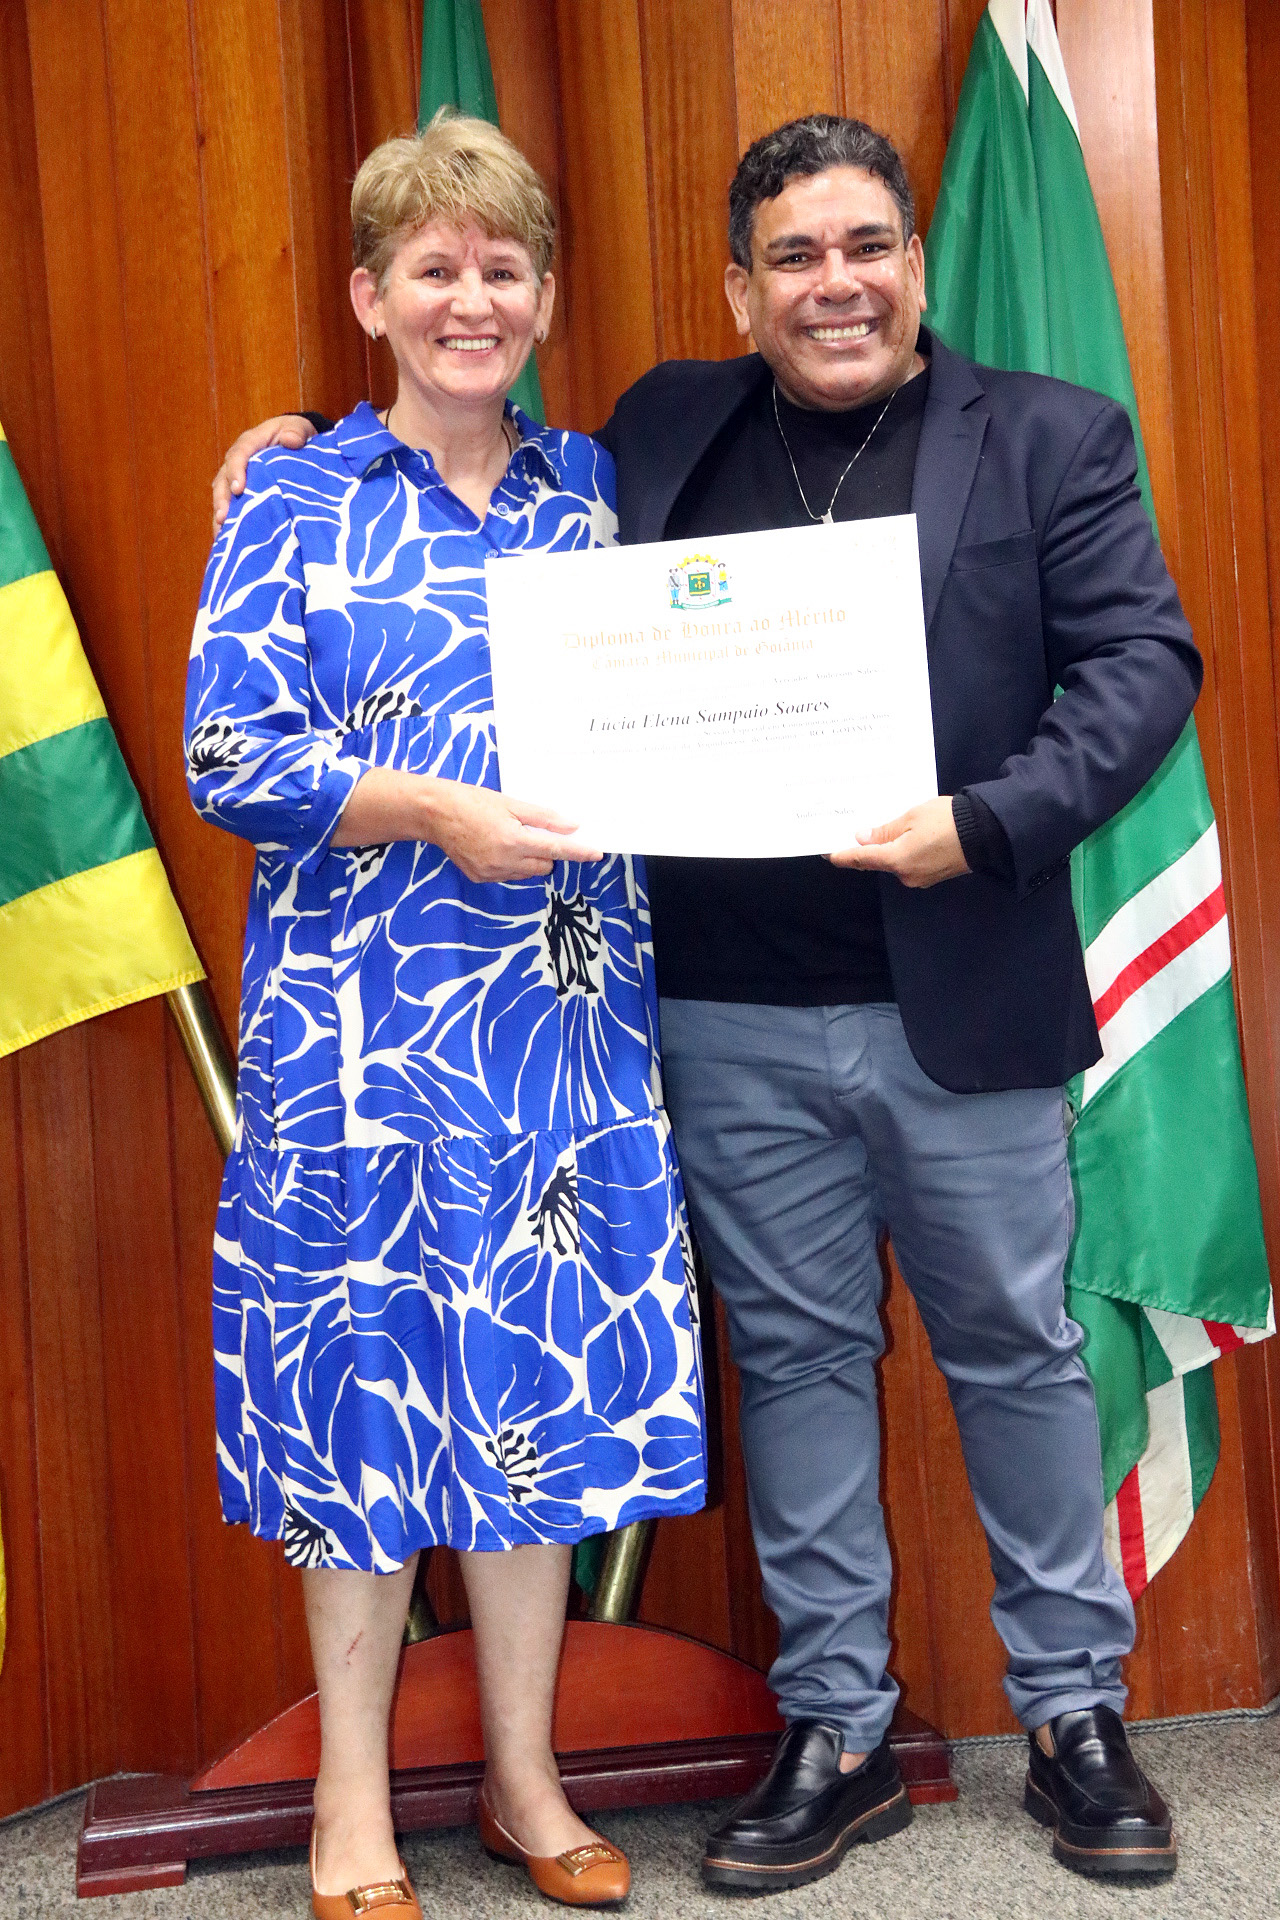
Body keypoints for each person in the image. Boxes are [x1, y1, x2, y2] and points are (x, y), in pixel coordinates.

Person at [213, 113, 1200, 1892]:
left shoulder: (1044, 435)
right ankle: (837, 1728)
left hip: (951, 1000)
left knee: (1017, 1353)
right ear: (739, 289)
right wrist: (281, 440)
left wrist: (984, 822)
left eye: (868, 246)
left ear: (916, 262)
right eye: (794, 256)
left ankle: (1075, 1716)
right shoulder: (660, 437)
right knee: (800, 1363)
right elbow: (382, 527)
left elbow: (1144, 666)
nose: (837, 284)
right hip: (714, 1018)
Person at [188, 110, 705, 1919]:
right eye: (433, 269)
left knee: (532, 1399)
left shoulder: (598, 494)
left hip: (561, 1038)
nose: (469, 300)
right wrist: (434, 813)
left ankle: (524, 1778)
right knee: (362, 1406)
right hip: (357, 1046)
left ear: (544, 295)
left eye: (501, 268)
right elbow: (231, 755)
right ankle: (350, 1802)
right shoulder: (291, 500)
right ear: (371, 297)